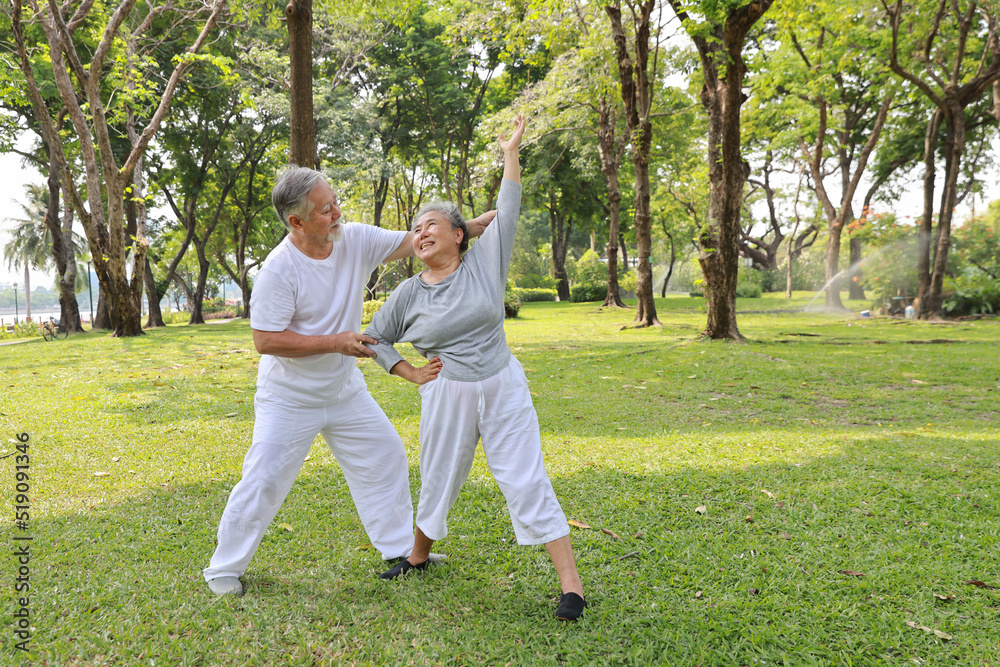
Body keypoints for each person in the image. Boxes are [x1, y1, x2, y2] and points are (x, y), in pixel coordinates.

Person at [203, 166, 494, 597]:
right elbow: (265, 340)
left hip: (343, 389)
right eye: (326, 209)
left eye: (335, 201)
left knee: (385, 454)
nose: (337, 212)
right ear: (297, 222)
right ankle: (223, 570)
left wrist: (480, 223)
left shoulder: (352, 238)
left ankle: (399, 550)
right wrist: (335, 341)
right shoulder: (279, 270)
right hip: (290, 398)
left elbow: (415, 242)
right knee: (264, 479)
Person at [363, 116, 587, 621]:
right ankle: (417, 557)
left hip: (504, 384)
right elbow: (373, 338)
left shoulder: (487, 261)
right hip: (448, 393)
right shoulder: (407, 293)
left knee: (525, 477)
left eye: (431, 225)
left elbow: (508, 206)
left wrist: (511, 153)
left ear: (459, 235)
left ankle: (571, 586)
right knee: (440, 475)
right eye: (415, 228)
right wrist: (407, 371)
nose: (420, 233)